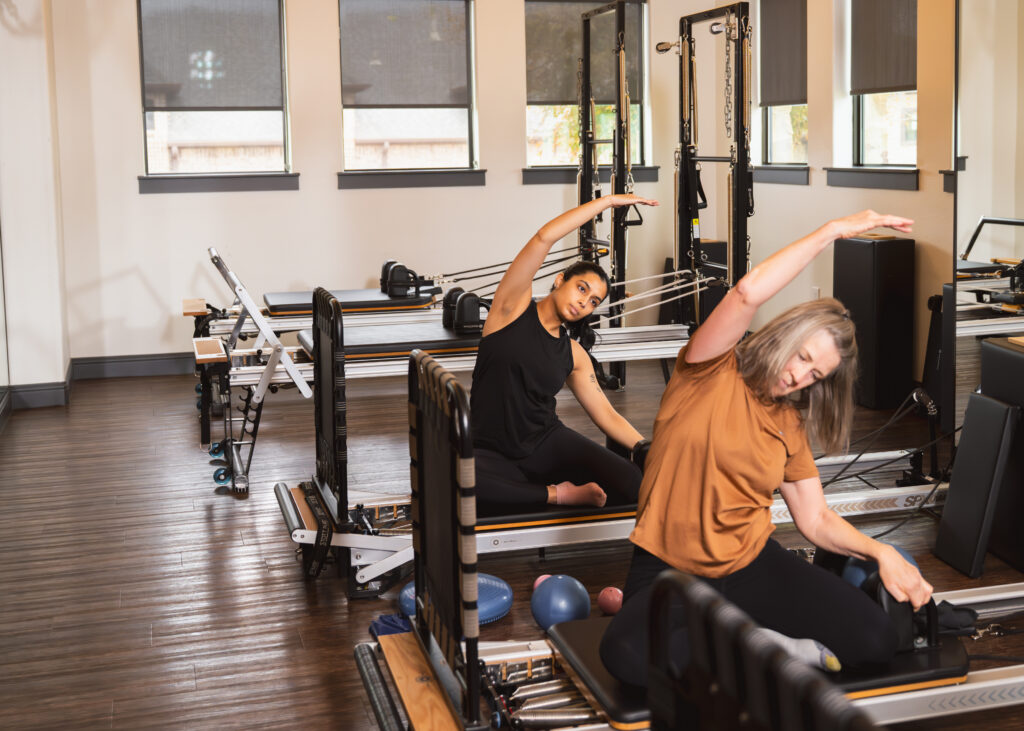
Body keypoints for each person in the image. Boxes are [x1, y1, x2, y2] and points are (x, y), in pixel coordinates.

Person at [599, 210, 934, 686]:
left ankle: (737, 637)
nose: (800, 375)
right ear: (786, 336)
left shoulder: (788, 424)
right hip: (669, 568)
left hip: (749, 565)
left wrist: (880, 553)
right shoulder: (710, 366)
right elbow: (746, 292)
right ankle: (758, 641)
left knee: (876, 640)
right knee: (625, 655)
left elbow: (815, 519)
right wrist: (832, 231)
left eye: (815, 374)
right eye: (802, 357)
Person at [470, 194, 658, 516]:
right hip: (488, 450)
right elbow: (544, 238)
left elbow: (607, 415)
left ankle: (542, 492)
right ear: (560, 280)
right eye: (582, 288)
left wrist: (645, 448)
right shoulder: (510, 310)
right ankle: (558, 494)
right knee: (466, 484)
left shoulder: (574, 354)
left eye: (594, 301)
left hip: (545, 443)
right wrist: (607, 202)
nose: (585, 302)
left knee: (632, 482)